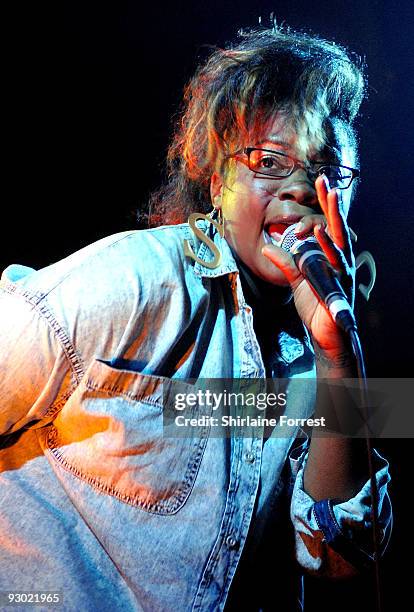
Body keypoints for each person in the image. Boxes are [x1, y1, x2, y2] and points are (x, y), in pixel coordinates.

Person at [0, 24, 391, 611]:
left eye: (326, 169)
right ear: (217, 181)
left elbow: (339, 555)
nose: (303, 188)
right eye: (269, 160)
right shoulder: (132, 280)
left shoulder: (324, 357)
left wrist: (340, 358)